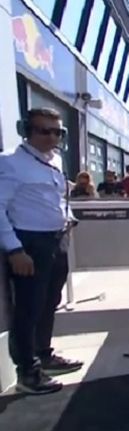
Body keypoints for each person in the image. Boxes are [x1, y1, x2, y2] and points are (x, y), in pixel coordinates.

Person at [0, 108, 83, 394]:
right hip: (28, 243)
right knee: (28, 307)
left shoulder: (54, 161)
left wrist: (68, 216)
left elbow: (56, 196)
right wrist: (14, 249)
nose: (51, 137)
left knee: (50, 302)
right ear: (26, 130)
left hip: (55, 240)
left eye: (57, 132)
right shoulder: (10, 163)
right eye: (43, 131)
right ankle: (28, 372)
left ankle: (44, 354)